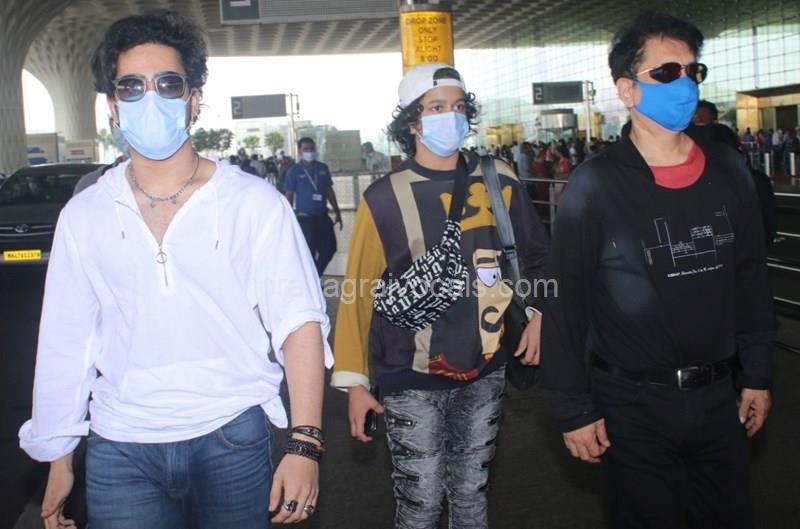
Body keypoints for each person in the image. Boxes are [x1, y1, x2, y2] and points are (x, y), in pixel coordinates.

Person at [19, 10, 331, 529]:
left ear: (194, 99)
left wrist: (306, 444)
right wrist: (59, 458)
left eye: (168, 84)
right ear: (113, 106)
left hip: (232, 437)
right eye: (131, 86)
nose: (151, 98)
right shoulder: (85, 215)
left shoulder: (254, 203)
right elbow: (66, 342)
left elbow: (299, 323)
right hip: (121, 449)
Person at [539, 12, 774, 529]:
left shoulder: (729, 169)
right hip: (631, 406)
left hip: (720, 398)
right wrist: (573, 408)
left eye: (693, 71)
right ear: (627, 90)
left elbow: (749, 277)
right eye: (666, 73)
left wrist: (757, 372)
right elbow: (565, 302)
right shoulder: (596, 185)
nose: (685, 83)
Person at [332, 63, 549, 529]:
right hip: (408, 371)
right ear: (412, 122)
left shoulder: (499, 179)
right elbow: (358, 294)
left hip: (486, 364)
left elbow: (537, 254)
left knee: (472, 495)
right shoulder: (383, 198)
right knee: (421, 501)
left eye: (458, 106)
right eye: (435, 108)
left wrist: (538, 312)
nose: (450, 116)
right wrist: (356, 383)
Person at [283, 137, 343, 276]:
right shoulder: (294, 171)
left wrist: (337, 211)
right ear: (300, 151)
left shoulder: (322, 168)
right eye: (306, 149)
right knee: (309, 252)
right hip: (305, 219)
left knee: (329, 249)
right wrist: (288, 218)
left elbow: (329, 191)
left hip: (322, 217)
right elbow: (289, 196)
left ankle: (314, 275)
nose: (309, 152)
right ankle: (312, 280)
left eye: (311, 149)